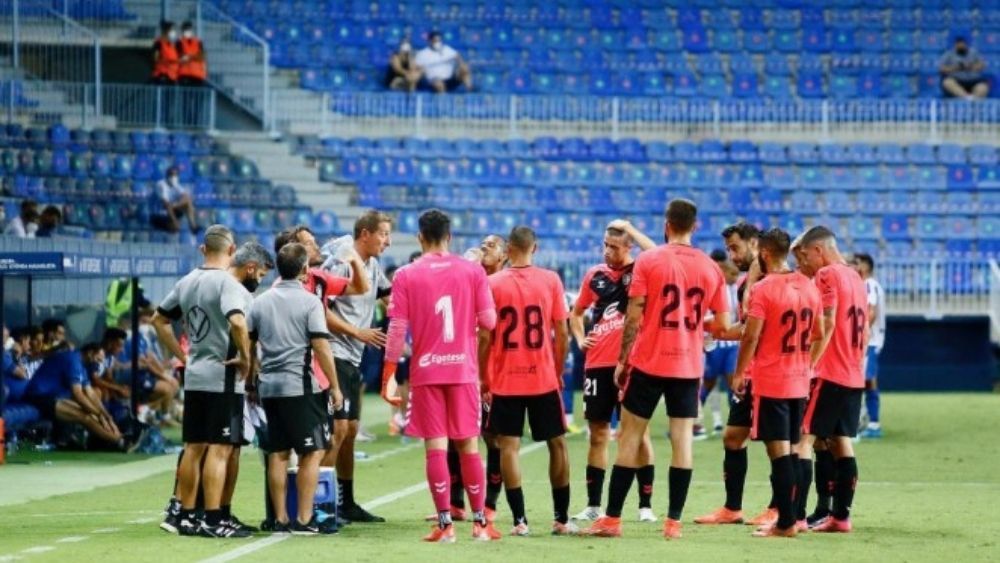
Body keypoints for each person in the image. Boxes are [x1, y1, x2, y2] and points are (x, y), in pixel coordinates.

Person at [585, 199, 731, 540]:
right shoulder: (711, 268)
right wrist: (691, 324)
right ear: (695, 226)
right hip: (687, 364)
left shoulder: (650, 260)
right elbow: (722, 324)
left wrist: (622, 360)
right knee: (682, 441)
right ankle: (673, 523)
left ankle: (612, 520)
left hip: (649, 361)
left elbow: (633, 315)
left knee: (629, 437)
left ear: (667, 225)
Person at [380, 209, 501, 543]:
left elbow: (396, 330)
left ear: (420, 237)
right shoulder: (472, 270)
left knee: (435, 446)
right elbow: (490, 321)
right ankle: (480, 524)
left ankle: (446, 526)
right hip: (463, 369)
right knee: (469, 445)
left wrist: (388, 373)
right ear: (450, 236)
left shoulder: (405, 274)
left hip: (426, 371)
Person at [151, 226, 259, 538]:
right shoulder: (228, 283)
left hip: (195, 373)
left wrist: (182, 356)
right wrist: (245, 357)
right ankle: (213, 519)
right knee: (221, 448)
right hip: (222, 375)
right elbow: (238, 321)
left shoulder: (187, 281)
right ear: (232, 250)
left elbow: (159, 320)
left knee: (193, 447)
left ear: (202, 249)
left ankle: (186, 515)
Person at [270, 224, 368, 532]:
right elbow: (320, 338)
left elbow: (359, 288)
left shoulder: (319, 279)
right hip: (305, 375)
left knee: (327, 436)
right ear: (296, 252)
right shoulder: (296, 292)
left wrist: (352, 260)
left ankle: (304, 510)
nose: (318, 249)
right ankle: (304, 512)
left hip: (298, 377)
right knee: (308, 447)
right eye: (310, 245)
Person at [731, 228, 825, 538]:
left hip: (772, 380)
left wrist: (739, 373)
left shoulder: (764, 289)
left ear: (765, 253)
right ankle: (795, 517)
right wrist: (805, 363)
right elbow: (819, 333)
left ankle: (785, 523)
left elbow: (751, 335)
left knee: (779, 453)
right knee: (797, 449)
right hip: (799, 380)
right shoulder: (809, 285)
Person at [479, 226, 573, 536]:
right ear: (535, 247)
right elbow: (562, 332)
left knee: (509, 447)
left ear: (508, 250)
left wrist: (484, 377)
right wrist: (557, 370)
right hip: (542, 376)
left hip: (506, 378)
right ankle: (561, 519)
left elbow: (485, 337)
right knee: (557, 444)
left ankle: (520, 521)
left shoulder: (492, 283)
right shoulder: (550, 280)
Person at [249, 242, 344, 535]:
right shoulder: (309, 302)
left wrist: (253, 377)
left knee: (277, 452)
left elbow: (248, 343)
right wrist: (335, 387)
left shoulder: (260, 302)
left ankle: (280, 519)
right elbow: (321, 345)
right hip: (300, 386)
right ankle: (304, 519)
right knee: (312, 452)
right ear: (305, 269)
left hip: (269, 387)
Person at [569, 220, 658, 523]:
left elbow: (659, 253)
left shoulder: (643, 269)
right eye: (605, 244)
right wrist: (581, 338)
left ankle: (645, 505)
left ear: (628, 245)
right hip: (596, 364)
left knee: (638, 434)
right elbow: (576, 313)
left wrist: (631, 229)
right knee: (597, 434)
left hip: (632, 365)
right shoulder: (594, 275)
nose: (607, 251)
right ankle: (594, 504)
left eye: (614, 246)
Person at [695, 221, 777, 528]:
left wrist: (717, 331)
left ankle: (778, 507)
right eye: (729, 248)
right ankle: (732, 508)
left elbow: (758, 329)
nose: (732, 254)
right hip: (753, 370)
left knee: (776, 442)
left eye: (735, 247)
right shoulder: (749, 278)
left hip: (769, 372)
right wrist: (708, 328)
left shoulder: (769, 277)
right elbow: (746, 328)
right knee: (733, 438)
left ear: (755, 243)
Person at [320, 210, 393, 524]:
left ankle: (345, 502)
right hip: (334, 352)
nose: (387, 242)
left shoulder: (373, 265)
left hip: (352, 357)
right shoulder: (339, 262)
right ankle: (320, 506)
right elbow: (319, 310)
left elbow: (390, 297)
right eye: (383, 234)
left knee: (349, 432)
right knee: (338, 430)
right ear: (365, 233)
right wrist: (357, 332)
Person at [795, 226, 869, 533]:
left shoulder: (827, 276)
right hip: (852, 371)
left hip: (829, 371)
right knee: (840, 442)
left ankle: (793, 518)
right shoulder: (856, 278)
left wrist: (808, 364)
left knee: (803, 439)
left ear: (818, 251)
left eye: (804, 257)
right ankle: (840, 517)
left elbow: (826, 322)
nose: (804, 265)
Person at [23, 346, 126, 449]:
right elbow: (78, 395)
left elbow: (90, 393)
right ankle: (120, 442)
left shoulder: (82, 365)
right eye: (98, 359)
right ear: (90, 353)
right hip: (38, 397)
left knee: (94, 415)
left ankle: (118, 438)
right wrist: (99, 414)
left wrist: (105, 414)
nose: (98, 363)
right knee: (85, 417)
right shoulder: (72, 360)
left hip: (54, 397)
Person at [701, 250, 738, 436]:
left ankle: (737, 423)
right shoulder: (708, 285)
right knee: (708, 383)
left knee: (733, 381)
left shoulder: (735, 287)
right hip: (714, 341)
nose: (732, 275)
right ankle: (692, 421)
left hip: (731, 343)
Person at [852, 253, 885, 439]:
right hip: (872, 339)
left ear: (865, 267)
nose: (854, 267)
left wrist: (860, 332)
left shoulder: (869, 284)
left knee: (864, 380)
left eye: (857, 264)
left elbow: (870, 311)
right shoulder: (871, 285)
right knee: (868, 380)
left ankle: (867, 423)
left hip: (870, 340)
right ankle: (871, 422)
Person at [151, 167, 198, 234]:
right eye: (172, 175)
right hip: (158, 215)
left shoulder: (176, 186)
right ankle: (174, 226)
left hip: (170, 210)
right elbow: (166, 204)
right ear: (167, 175)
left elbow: (186, 197)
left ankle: (193, 227)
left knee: (188, 203)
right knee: (174, 227)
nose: (173, 177)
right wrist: (175, 221)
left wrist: (174, 205)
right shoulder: (161, 185)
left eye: (176, 175)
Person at [177, 21, 207, 87]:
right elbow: (180, 58)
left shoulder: (198, 42)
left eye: (188, 29)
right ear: (182, 31)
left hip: (198, 75)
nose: (187, 31)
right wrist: (195, 57)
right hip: (184, 75)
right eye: (185, 29)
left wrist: (189, 57)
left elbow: (202, 57)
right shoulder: (179, 42)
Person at [151, 20, 180, 84]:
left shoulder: (173, 44)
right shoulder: (159, 43)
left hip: (173, 76)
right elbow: (155, 58)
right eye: (172, 30)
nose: (174, 32)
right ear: (166, 31)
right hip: (163, 75)